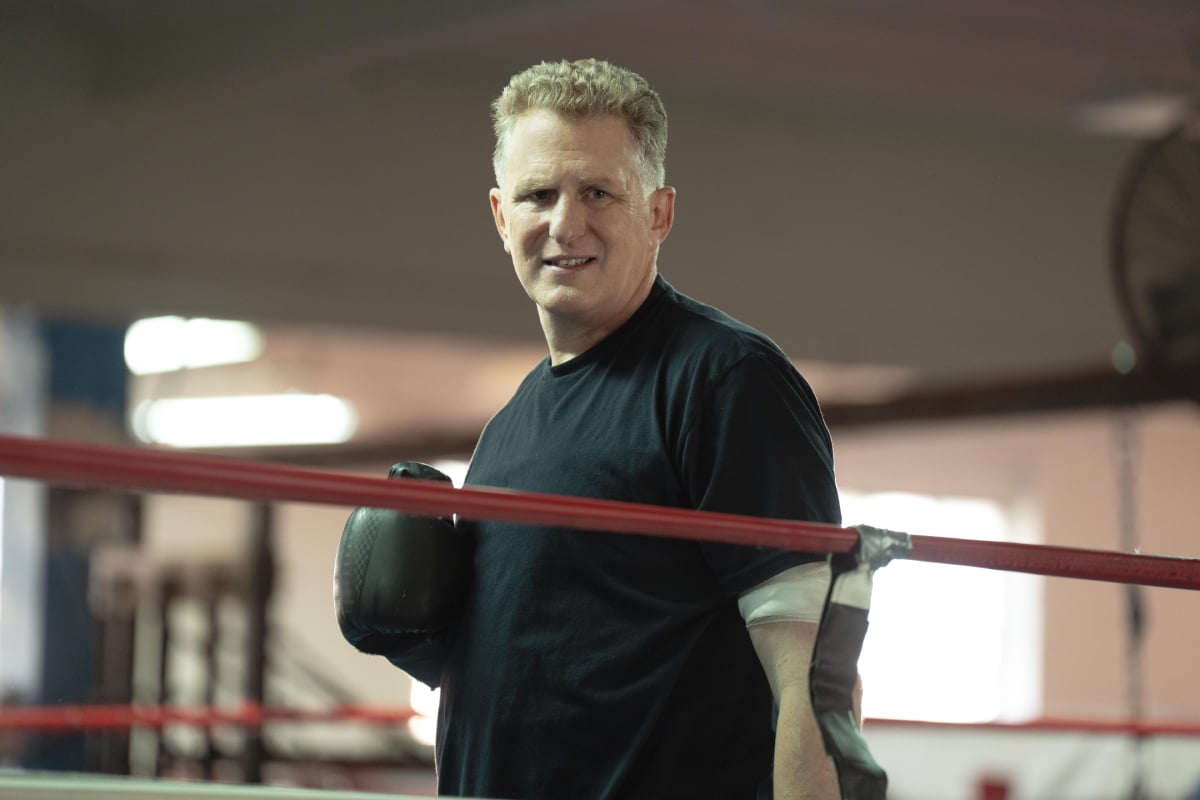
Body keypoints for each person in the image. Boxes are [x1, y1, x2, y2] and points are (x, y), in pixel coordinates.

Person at [335, 57, 856, 799]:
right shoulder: (511, 428)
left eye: (598, 193)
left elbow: (817, 674)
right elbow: (560, 663)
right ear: (499, 215)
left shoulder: (722, 380)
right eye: (538, 194)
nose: (564, 224)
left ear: (658, 212)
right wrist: (423, 640)